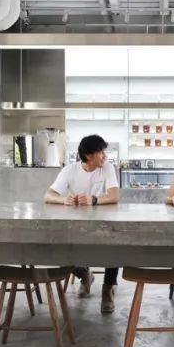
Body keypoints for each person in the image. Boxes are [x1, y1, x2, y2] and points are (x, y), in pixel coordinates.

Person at [44, 134, 121, 313]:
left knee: (115, 246)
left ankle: (108, 288)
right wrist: (64, 200)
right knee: (60, 249)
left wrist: (94, 199)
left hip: (104, 224)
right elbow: (48, 195)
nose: (105, 156)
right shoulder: (70, 170)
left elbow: (114, 196)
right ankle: (85, 275)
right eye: (101, 152)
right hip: (77, 225)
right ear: (89, 155)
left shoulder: (108, 167)